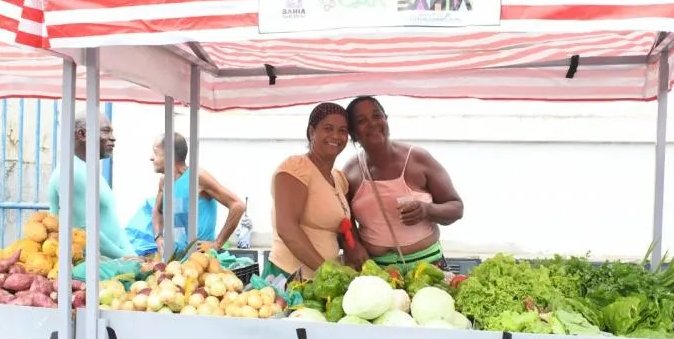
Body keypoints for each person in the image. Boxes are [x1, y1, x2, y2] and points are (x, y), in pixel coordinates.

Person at [343, 96, 463, 272]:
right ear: (353, 134)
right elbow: (344, 218)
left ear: (386, 120)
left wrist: (426, 210)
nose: (372, 124)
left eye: (377, 116)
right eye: (362, 121)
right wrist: (353, 246)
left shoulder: (418, 159)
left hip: (428, 266)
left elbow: (456, 207)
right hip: (378, 271)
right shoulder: (350, 171)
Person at [267, 103, 354, 280]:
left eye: (343, 130)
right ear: (311, 132)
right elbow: (287, 229)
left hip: (324, 281)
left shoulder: (339, 179)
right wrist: (327, 271)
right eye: (328, 128)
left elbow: (342, 231)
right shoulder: (296, 169)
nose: (336, 136)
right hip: (291, 278)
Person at [48, 109, 135, 259]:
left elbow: (111, 218)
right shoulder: (72, 172)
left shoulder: (89, 170)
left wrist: (131, 255)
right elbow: (85, 230)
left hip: (108, 262)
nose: (113, 138)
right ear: (82, 134)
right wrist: (125, 257)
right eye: (106, 131)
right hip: (86, 266)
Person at [151, 132, 247, 256]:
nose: (151, 158)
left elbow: (237, 206)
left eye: (155, 152)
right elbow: (157, 211)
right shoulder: (164, 181)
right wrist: (158, 237)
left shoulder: (197, 177)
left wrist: (217, 244)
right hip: (174, 261)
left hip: (200, 260)